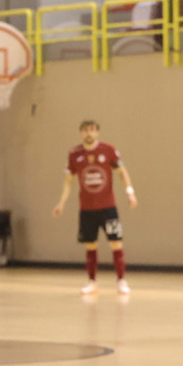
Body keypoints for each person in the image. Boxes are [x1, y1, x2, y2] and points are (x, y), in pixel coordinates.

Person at [52, 120, 138, 295]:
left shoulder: (108, 150)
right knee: (90, 245)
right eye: (85, 130)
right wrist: (61, 202)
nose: (89, 133)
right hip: (87, 209)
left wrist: (130, 192)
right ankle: (92, 282)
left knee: (116, 242)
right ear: (81, 133)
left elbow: (122, 172)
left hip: (108, 207)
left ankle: (121, 281)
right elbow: (69, 180)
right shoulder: (75, 154)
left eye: (92, 130)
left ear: (97, 132)